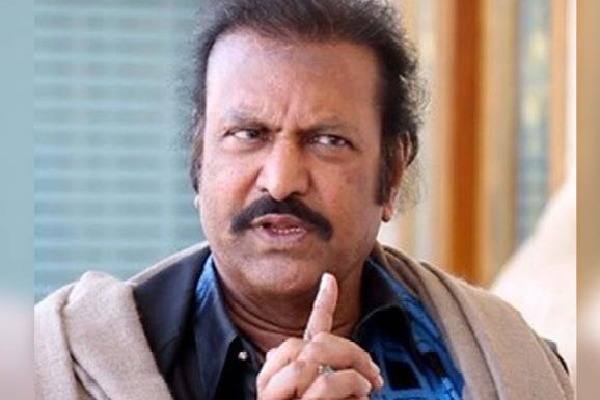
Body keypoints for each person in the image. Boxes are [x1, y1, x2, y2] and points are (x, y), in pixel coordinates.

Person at [34, 0, 574, 399]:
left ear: (391, 173)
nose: (281, 181)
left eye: (327, 141)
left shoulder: (513, 363)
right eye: (248, 134)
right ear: (199, 161)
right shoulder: (68, 365)